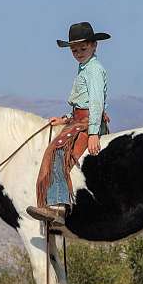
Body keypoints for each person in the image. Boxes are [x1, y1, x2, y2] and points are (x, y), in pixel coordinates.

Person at [26, 22, 111, 225]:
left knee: (58, 151)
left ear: (94, 46)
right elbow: (81, 102)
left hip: (90, 121)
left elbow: (96, 102)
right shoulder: (84, 68)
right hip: (79, 118)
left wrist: (92, 134)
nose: (78, 53)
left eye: (83, 48)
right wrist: (65, 118)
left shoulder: (94, 70)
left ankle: (58, 205)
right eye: (74, 50)